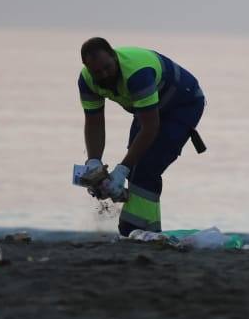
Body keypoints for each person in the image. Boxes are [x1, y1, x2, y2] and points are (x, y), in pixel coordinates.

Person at [77, 37, 206, 236]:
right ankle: (148, 232)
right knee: (136, 164)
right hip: (148, 108)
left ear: (115, 57)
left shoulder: (137, 74)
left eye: (107, 67)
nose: (103, 75)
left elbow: (150, 127)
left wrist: (121, 171)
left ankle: (136, 231)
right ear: (87, 68)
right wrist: (94, 162)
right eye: (97, 72)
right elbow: (94, 122)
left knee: (146, 167)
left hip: (183, 105)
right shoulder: (86, 81)